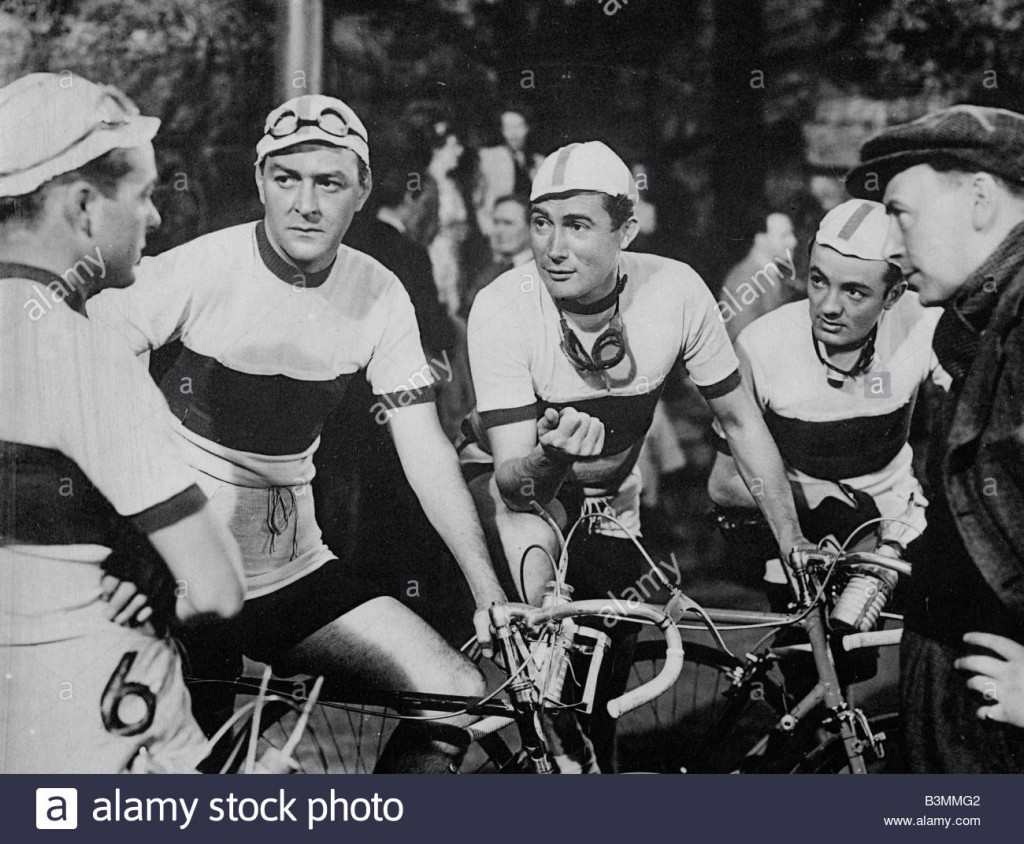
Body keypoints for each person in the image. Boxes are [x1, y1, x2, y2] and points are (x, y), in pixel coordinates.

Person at [88, 93, 507, 774]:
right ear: (261, 182)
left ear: (363, 191)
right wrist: (132, 536)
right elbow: (96, 378)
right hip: (185, 573)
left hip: (293, 571)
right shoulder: (201, 267)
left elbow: (426, 451)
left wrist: (486, 587)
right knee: (201, 765)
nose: (306, 203)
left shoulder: (380, 291)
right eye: (287, 179)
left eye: (330, 183)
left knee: (457, 694)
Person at [460, 140, 810, 768]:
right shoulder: (501, 305)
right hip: (510, 485)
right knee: (551, 661)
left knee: (609, 665)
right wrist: (551, 457)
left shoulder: (675, 290)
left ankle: (590, 772)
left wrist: (794, 543)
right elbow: (517, 490)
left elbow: (740, 420)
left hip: (609, 500)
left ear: (627, 228)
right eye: (543, 223)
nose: (554, 247)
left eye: (578, 225)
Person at [0, 72, 244, 773]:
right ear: (82, 205)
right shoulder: (81, 351)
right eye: (141, 197)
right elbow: (220, 590)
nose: (157, 220)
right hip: (103, 720)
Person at [847, 103, 1024, 771]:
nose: (890, 248)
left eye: (901, 212)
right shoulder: (979, 325)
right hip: (956, 698)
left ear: (979, 197)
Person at [708, 199, 949, 615]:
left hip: (900, 528)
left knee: (934, 652)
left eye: (854, 291)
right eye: (819, 281)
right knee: (816, 676)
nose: (828, 306)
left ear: (894, 294)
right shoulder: (762, 344)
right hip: (806, 542)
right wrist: (821, 496)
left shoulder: (924, 322)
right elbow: (723, 484)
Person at [718, 205, 800, 342]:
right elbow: (741, 339)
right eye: (785, 235)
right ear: (760, 239)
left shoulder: (768, 273)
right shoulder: (746, 278)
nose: (793, 242)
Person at [477, 107, 545, 237]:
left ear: (528, 128)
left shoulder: (538, 162)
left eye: (518, 126)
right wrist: (488, 229)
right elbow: (478, 199)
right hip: (498, 229)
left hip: (529, 230)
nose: (513, 133)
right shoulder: (488, 158)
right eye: (507, 128)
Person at [461, 193, 531, 319]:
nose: (499, 231)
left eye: (508, 223)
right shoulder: (489, 272)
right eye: (496, 222)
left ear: (530, 227)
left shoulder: (540, 273)